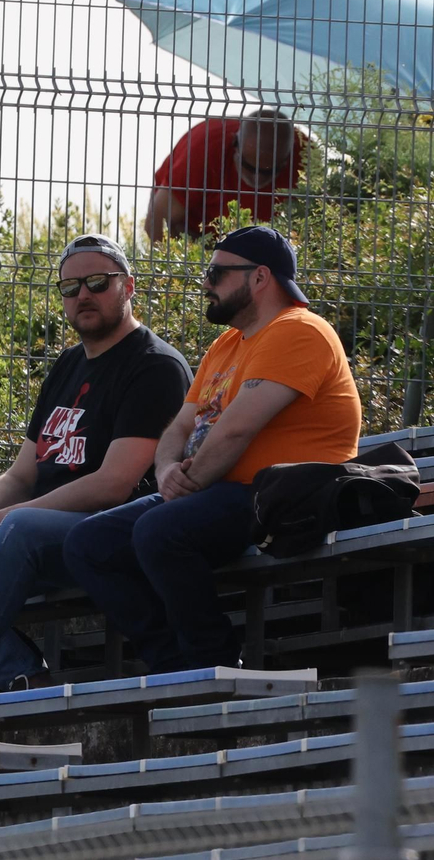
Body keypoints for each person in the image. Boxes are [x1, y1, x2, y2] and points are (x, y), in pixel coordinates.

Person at [64, 226, 362, 671]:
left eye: (217, 272)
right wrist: (166, 473)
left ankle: (212, 662)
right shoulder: (227, 345)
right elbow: (180, 427)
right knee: (88, 543)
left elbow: (237, 431)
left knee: (160, 530)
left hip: (282, 492)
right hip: (220, 489)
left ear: (260, 278)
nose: (206, 282)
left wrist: (188, 484)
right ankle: (170, 664)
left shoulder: (299, 331)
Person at [0, 235, 190, 698]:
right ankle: (24, 677)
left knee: (17, 527)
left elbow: (115, 485)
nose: (83, 295)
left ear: (129, 287)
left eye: (98, 282)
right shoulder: (67, 366)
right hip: (34, 529)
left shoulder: (154, 366)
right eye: (70, 286)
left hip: (105, 531)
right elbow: (22, 475)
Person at [145, 108, 306, 240]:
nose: (256, 179)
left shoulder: (306, 158)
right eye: (248, 168)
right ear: (235, 145)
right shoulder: (203, 151)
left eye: (268, 172)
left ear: (287, 159)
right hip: (195, 235)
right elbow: (156, 222)